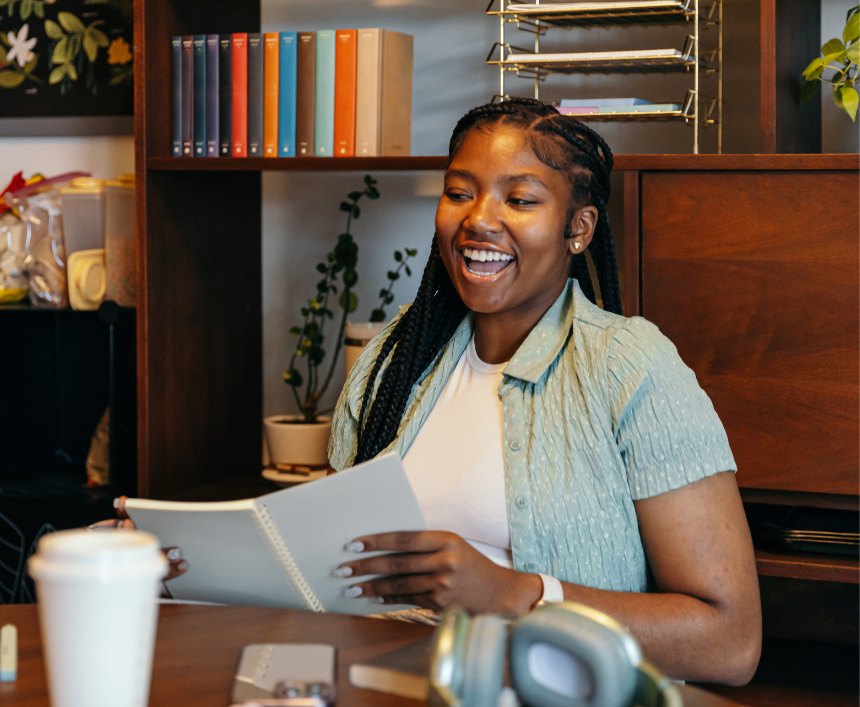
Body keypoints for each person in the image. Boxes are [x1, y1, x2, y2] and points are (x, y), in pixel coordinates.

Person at [326, 98, 761, 686]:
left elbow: (729, 642)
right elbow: (325, 563)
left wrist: (514, 596)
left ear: (577, 229)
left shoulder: (629, 367)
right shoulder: (390, 362)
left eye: (521, 199)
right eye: (460, 193)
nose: (479, 219)